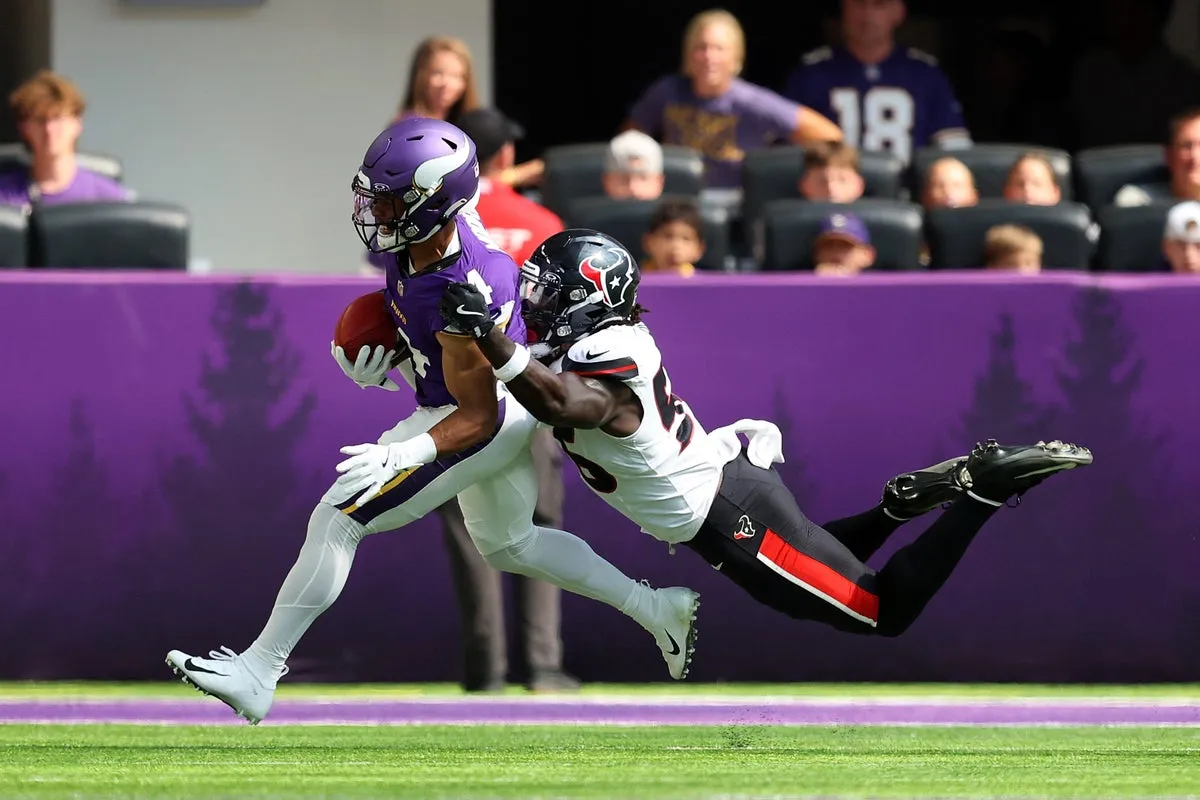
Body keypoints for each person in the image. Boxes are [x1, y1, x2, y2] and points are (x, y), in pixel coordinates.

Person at [165, 120, 699, 724]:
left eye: (392, 200)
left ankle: (260, 669)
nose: (377, 210)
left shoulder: (458, 285)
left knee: (340, 518)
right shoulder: (428, 239)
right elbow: (422, 333)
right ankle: (658, 610)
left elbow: (474, 416)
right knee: (511, 542)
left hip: (484, 417)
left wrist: (404, 453)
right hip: (483, 404)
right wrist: (384, 354)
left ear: (435, 203)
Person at [438, 229, 1092, 642]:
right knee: (824, 562)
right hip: (729, 493)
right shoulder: (583, 343)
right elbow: (530, 382)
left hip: (726, 514)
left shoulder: (605, 352)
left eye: (546, 292)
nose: (535, 304)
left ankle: (982, 488)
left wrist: (491, 342)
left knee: (878, 610)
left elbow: (567, 404)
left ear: (587, 296)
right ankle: (895, 507)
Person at [436, 106, 578, 693]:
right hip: (526, 383)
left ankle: (484, 669)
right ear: (506, 158)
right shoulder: (539, 219)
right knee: (539, 518)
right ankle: (542, 666)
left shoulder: (434, 219)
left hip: (453, 389)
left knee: (470, 527)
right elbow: (561, 309)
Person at [625, 9, 843, 189]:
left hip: (734, 209)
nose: (709, 57)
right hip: (675, 204)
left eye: (719, 48)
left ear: (736, 57)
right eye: (701, 47)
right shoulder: (667, 91)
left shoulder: (754, 102)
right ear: (688, 53)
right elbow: (629, 140)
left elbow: (829, 136)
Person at [782, 0, 971, 165]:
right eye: (859, 3)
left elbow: (954, 150)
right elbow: (784, 147)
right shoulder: (811, 72)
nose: (867, 14)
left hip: (904, 197)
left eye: (879, 4)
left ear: (899, 12)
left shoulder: (925, 74)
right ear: (844, 9)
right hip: (833, 194)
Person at [0, 70, 130, 209]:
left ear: (77, 124)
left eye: (57, 119)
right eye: (40, 120)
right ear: (24, 128)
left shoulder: (109, 199)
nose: (49, 130)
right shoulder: (4, 196)